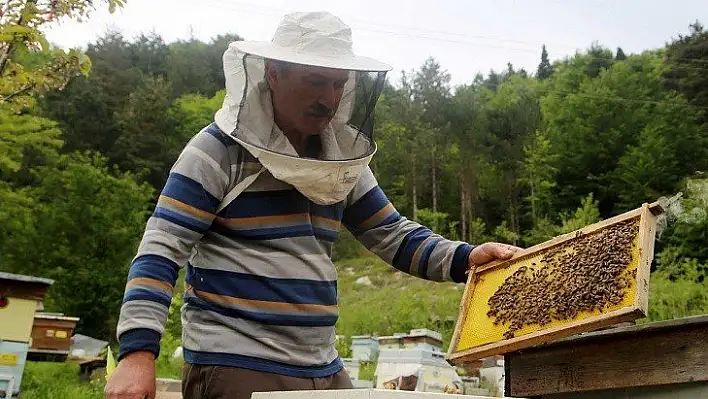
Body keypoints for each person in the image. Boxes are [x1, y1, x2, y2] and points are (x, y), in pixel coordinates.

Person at [104, 11, 521, 399]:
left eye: (339, 83)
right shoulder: (217, 150)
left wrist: (466, 258)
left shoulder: (339, 159)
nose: (330, 98)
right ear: (274, 73)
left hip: (323, 364)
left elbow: (390, 234)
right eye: (316, 81)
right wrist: (137, 353)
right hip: (236, 361)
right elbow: (162, 247)